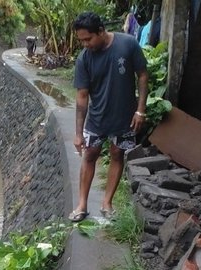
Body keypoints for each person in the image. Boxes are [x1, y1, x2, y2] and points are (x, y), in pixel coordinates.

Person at [69, 11, 149, 222]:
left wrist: (141, 110)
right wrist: (78, 134)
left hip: (125, 118)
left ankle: (107, 203)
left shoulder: (128, 44)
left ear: (101, 31)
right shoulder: (84, 59)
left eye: (88, 39)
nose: (85, 44)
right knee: (89, 155)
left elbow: (142, 74)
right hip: (97, 119)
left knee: (117, 155)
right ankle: (82, 205)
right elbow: (82, 97)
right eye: (81, 40)